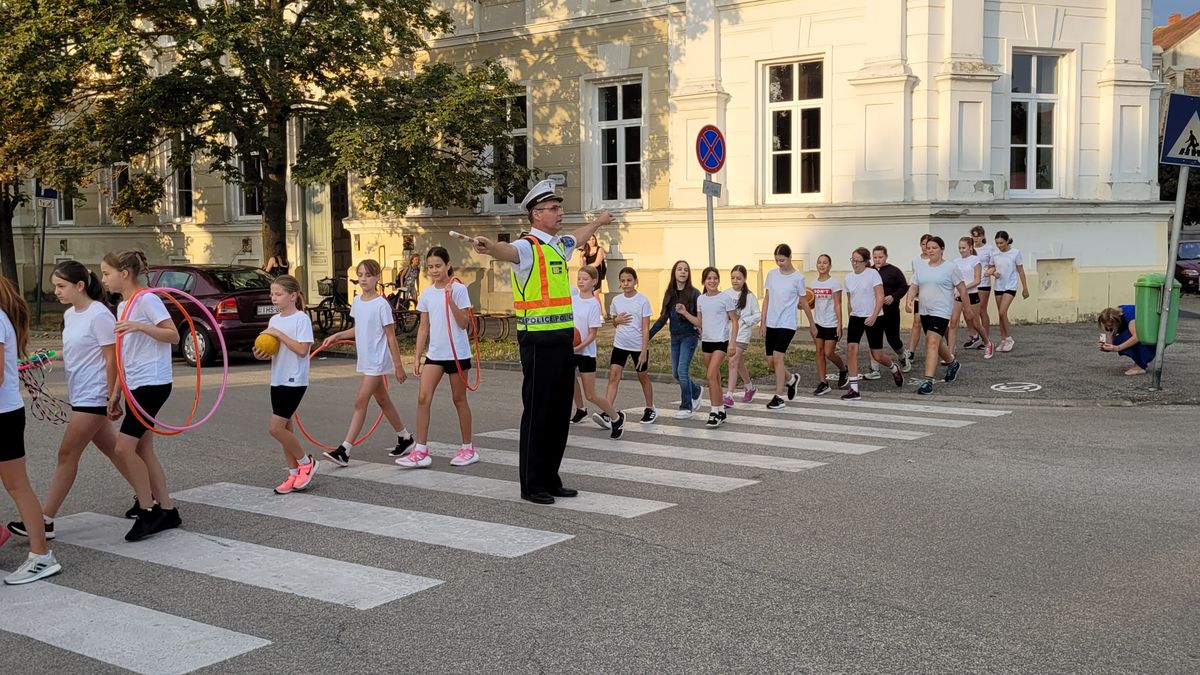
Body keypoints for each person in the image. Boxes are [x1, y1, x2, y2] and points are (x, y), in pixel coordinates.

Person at [471, 179, 613, 505]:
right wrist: (490, 246)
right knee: (537, 412)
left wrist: (598, 222)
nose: (560, 212)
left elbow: (577, 239)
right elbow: (505, 251)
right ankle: (532, 483)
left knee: (559, 410)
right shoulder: (527, 247)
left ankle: (551, 476)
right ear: (536, 215)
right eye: (553, 208)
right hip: (536, 340)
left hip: (563, 339)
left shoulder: (557, 245)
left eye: (559, 207)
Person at [6, 262, 121, 542]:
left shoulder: (99, 315)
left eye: (61, 286)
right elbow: (75, 351)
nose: (55, 291)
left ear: (79, 286)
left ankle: (45, 519)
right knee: (117, 450)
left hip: (95, 396)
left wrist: (112, 394)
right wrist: (43, 358)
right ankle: (149, 498)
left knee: (67, 455)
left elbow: (112, 358)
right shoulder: (71, 315)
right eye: (55, 286)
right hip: (80, 393)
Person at [101, 250, 182, 541]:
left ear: (125, 274)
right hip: (135, 383)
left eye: (107, 273)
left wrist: (139, 326)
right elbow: (125, 354)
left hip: (153, 382)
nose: (103, 279)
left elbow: (172, 335)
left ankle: (148, 510)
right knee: (143, 449)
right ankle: (168, 510)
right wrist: (115, 393)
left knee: (124, 449)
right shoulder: (123, 306)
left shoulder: (147, 299)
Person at [0, 276, 62, 584]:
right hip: (6, 413)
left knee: (17, 486)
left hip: (3, 415)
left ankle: (41, 556)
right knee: (16, 485)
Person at [320, 259, 412, 467]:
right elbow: (358, 329)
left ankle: (345, 450)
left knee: (360, 401)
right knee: (383, 401)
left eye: (368, 275)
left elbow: (391, 337)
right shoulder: (358, 302)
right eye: (360, 275)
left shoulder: (381, 305)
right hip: (367, 359)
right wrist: (336, 336)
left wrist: (398, 366)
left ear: (377, 277)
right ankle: (405, 438)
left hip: (377, 361)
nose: (363, 279)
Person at [397, 247, 479, 469]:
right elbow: (424, 327)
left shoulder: (459, 289)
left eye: (438, 266)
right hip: (435, 354)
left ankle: (468, 448)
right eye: (430, 266)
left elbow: (464, 324)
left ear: (448, 265)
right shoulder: (427, 293)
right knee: (423, 398)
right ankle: (421, 450)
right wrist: (417, 357)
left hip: (457, 354)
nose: (434, 270)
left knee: (459, 399)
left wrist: (451, 299)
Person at [252, 275, 318, 494]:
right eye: (272, 294)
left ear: (293, 296)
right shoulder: (274, 321)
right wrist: (261, 353)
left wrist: (279, 335)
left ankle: (306, 463)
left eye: (278, 294)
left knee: (275, 428)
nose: (274, 298)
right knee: (286, 428)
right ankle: (292, 474)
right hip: (277, 378)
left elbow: (302, 350)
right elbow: (273, 350)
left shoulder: (301, 319)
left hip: (294, 380)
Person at [904, 237, 966, 395]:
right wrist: (909, 300)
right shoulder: (922, 267)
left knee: (931, 342)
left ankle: (928, 381)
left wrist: (968, 309)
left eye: (934, 248)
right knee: (936, 343)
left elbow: (962, 287)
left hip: (941, 311)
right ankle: (953, 363)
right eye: (928, 248)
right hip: (925, 310)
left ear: (942, 249)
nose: (930, 250)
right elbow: (914, 286)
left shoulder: (950, 267)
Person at [843, 247, 904, 400]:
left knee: (877, 355)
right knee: (851, 349)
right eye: (853, 260)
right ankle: (854, 389)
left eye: (858, 261)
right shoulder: (848, 278)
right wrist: (850, 314)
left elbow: (880, 296)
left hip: (874, 316)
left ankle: (893, 367)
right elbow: (850, 300)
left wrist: (874, 316)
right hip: (856, 317)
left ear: (866, 262)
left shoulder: (873, 274)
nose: (855, 264)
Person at [570, 266, 623, 438]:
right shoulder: (572, 298)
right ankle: (579, 409)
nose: (581, 281)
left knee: (591, 394)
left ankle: (615, 418)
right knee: (566, 384)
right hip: (571, 350)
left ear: (594, 282)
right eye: (579, 278)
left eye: (585, 279)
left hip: (585, 353)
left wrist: (578, 347)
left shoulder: (594, 304)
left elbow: (592, 334)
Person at [760, 244, 815, 410]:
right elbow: (767, 299)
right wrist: (763, 323)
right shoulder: (771, 275)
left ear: (790, 257)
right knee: (770, 361)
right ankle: (791, 379)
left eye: (782, 260)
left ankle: (778, 396)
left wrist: (812, 324)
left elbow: (804, 302)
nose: (779, 263)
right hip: (772, 321)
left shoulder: (798, 278)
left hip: (787, 323)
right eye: (777, 260)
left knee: (778, 357)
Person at [649, 261, 702, 419]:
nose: (683, 272)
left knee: (682, 371)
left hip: (689, 336)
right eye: (679, 269)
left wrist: (685, 313)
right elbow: (663, 317)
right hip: (675, 337)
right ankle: (696, 391)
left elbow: (699, 319)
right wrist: (648, 335)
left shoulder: (694, 293)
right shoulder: (670, 293)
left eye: (686, 270)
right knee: (675, 373)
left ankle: (686, 406)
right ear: (674, 273)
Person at [685, 267, 737, 427]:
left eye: (715, 278)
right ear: (704, 281)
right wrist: (685, 313)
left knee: (710, 375)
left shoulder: (725, 298)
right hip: (706, 342)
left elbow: (734, 321)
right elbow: (700, 322)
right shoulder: (701, 299)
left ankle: (714, 411)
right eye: (709, 278)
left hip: (721, 342)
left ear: (718, 280)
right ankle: (721, 409)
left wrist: (732, 343)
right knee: (715, 377)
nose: (712, 281)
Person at [605, 267, 656, 426]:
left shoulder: (642, 300)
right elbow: (614, 321)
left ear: (635, 281)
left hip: (637, 346)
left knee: (642, 377)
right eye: (622, 281)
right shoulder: (616, 301)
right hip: (620, 344)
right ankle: (608, 411)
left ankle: (649, 408)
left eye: (629, 280)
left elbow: (646, 327)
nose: (626, 284)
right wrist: (616, 321)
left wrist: (643, 351)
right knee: (614, 376)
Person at [865, 246, 910, 380]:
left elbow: (903, 287)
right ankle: (874, 369)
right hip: (874, 312)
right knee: (873, 341)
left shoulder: (894, 271)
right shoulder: (869, 271)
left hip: (891, 312)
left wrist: (893, 297)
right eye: (875, 257)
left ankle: (903, 357)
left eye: (880, 257)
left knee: (893, 339)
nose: (878, 260)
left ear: (886, 257)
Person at [809, 254, 848, 396]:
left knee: (828, 353)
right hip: (818, 323)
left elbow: (838, 304)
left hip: (831, 323)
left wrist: (840, 324)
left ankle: (843, 369)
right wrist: (806, 304)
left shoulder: (834, 283)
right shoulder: (813, 284)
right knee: (819, 352)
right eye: (819, 262)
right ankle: (823, 383)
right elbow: (812, 305)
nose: (822, 265)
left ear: (830, 265)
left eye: (825, 263)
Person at [948, 237, 993, 359]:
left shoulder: (975, 260)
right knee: (953, 323)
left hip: (971, 294)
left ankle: (988, 343)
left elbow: (977, 280)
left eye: (963, 248)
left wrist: (963, 288)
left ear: (970, 247)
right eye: (959, 248)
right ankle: (950, 353)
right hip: (958, 295)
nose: (961, 250)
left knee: (975, 323)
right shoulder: (955, 261)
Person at [723, 265, 760, 406]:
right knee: (738, 363)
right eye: (733, 278)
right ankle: (749, 387)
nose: (735, 281)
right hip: (728, 333)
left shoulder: (749, 297)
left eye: (738, 278)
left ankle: (729, 395)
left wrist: (745, 321)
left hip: (742, 334)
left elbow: (758, 315)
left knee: (732, 361)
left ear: (744, 279)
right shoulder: (726, 294)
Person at [987, 230, 1029, 353]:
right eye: (997, 243)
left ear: (1007, 241)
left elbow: (1020, 270)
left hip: (1010, 286)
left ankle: (1009, 338)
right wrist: (994, 273)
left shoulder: (1015, 253)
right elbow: (990, 267)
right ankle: (1003, 339)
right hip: (999, 285)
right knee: (1001, 315)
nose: (999, 245)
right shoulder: (994, 254)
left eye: (1001, 243)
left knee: (1002, 312)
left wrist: (1025, 288)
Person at [1098, 306, 1155, 375]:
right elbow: (1112, 340)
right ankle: (1139, 363)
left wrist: (1118, 347)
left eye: (1110, 325)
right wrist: (1105, 347)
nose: (1108, 328)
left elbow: (1137, 337)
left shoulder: (1129, 317)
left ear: (1116, 320)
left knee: (1128, 338)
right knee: (1118, 340)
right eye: (1106, 326)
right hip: (1147, 331)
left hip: (1154, 332)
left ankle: (1139, 366)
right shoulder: (1115, 317)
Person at [904, 234, 933, 369]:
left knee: (932, 325)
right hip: (919, 296)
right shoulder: (916, 260)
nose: (925, 248)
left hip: (932, 296)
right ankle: (911, 352)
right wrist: (910, 297)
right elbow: (915, 279)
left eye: (928, 246)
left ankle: (943, 344)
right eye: (923, 245)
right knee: (917, 322)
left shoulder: (934, 260)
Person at [966, 226, 996, 349]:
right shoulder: (970, 249)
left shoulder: (989, 249)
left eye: (978, 235)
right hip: (971, 283)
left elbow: (993, 264)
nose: (976, 238)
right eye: (974, 235)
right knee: (969, 312)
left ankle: (985, 339)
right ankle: (974, 337)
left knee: (982, 310)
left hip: (983, 283)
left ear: (983, 236)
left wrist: (990, 271)